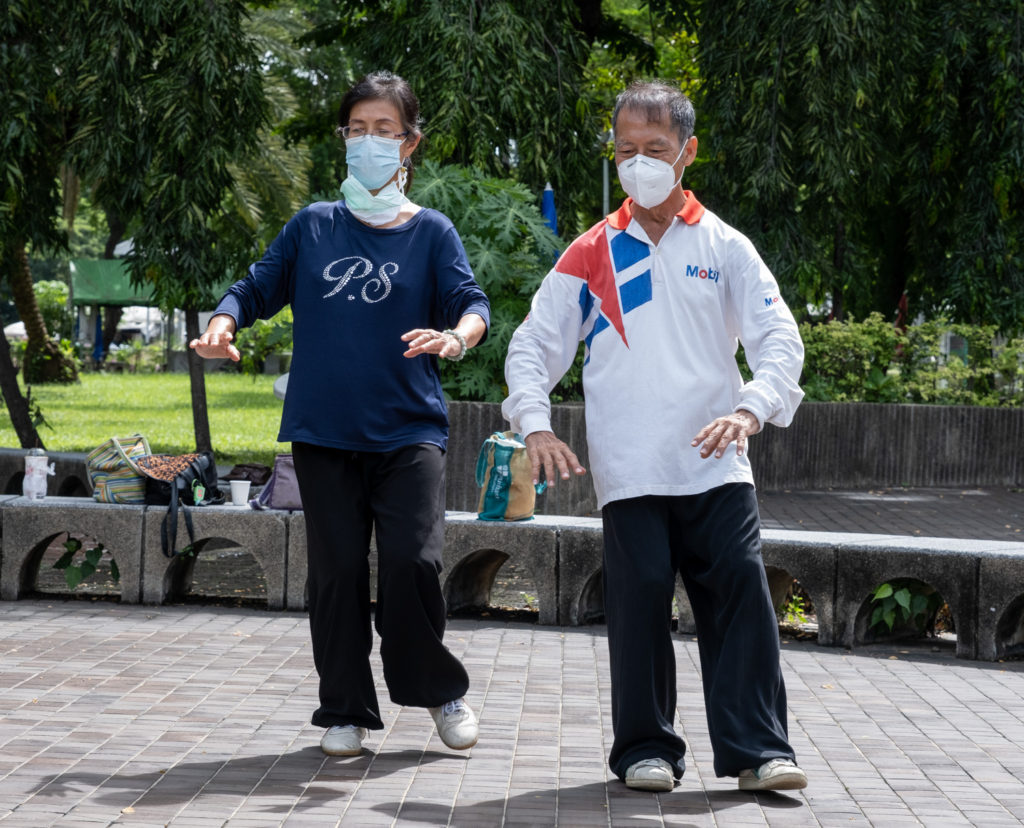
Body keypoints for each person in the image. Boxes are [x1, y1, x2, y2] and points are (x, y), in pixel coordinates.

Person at [502, 80, 807, 793]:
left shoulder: (726, 245)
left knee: (739, 597)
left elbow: (779, 338)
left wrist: (751, 409)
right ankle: (646, 750)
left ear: (688, 152)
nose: (638, 162)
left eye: (656, 149)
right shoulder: (591, 252)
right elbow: (532, 347)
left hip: (717, 465)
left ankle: (760, 751)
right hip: (631, 468)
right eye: (625, 150)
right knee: (638, 605)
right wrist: (536, 423)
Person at [190, 71, 489, 758]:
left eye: (385, 130)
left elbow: (473, 304)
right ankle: (344, 711)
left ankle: (438, 691)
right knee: (337, 575)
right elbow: (254, 288)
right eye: (358, 130)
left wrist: (456, 336)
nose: (370, 142)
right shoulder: (313, 227)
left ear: (410, 144)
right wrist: (221, 323)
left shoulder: (432, 234)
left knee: (414, 564)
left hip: (408, 431)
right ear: (344, 140)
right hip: (324, 433)